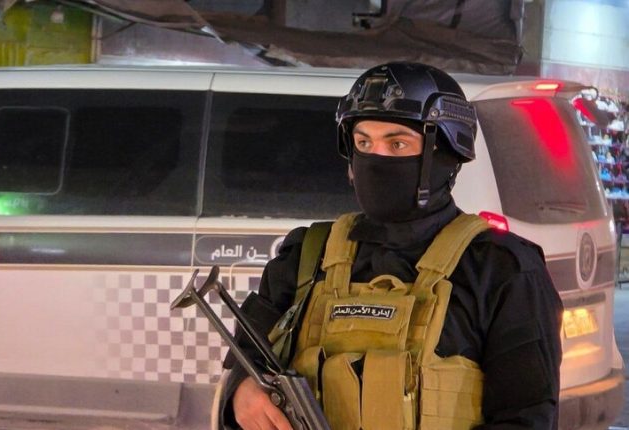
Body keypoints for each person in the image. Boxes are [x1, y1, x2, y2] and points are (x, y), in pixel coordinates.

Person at [220, 62, 563, 429]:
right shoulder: (306, 255)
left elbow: (527, 418)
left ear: (446, 153)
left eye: (397, 143)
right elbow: (247, 365)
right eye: (364, 142)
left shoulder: (501, 269)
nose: (375, 159)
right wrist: (241, 394)